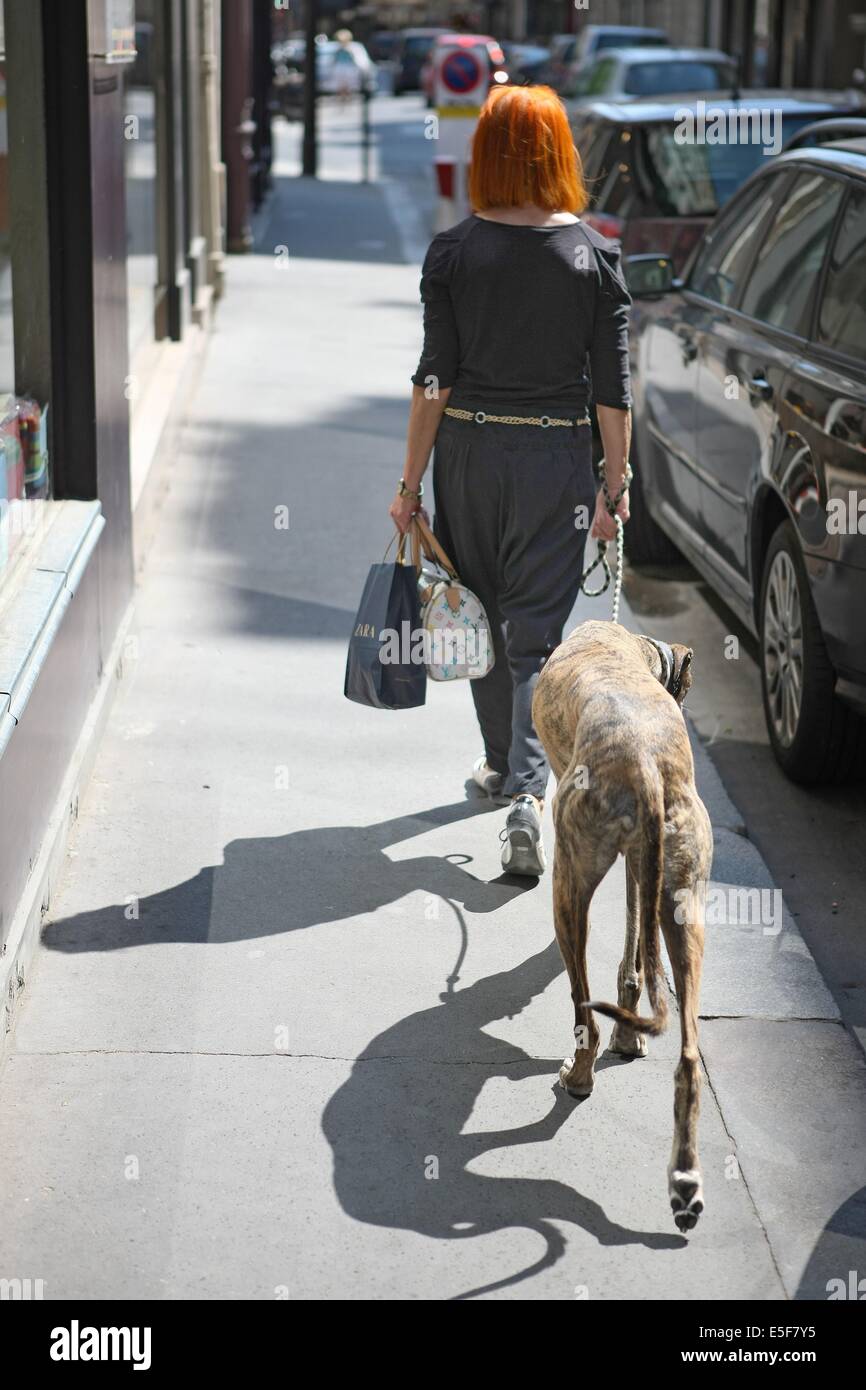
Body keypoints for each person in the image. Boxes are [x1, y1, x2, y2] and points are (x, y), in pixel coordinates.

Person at [389, 84, 632, 877]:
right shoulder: (594, 258)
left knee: (480, 616)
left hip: (467, 457)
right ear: (561, 153)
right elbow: (611, 392)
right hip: (557, 466)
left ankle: (506, 770)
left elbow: (435, 380)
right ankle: (525, 793)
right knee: (534, 633)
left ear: (486, 155)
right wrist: (614, 486)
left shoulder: (455, 253)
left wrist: (409, 484)